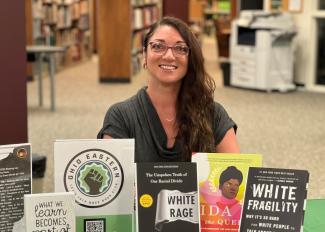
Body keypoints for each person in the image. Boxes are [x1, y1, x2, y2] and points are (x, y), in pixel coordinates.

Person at [97, 16, 239, 162]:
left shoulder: (213, 114)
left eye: (180, 48)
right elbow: (114, 182)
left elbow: (236, 178)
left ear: (190, 58)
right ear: (144, 55)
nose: (169, 56)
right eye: (158, 46)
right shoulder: (121, 116)